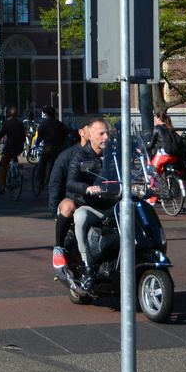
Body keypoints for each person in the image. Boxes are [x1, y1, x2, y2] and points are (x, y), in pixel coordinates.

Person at [46, 116, 116, 285]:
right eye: (101, 134)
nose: (106, 137)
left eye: (107, 133)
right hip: (82, 201)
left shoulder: (113, 155)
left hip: (110, 202)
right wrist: (87, 189)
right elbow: (62, 182)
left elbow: (126, 173)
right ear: (87, 134)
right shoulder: (75, 156)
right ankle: (76, 258)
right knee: (74, 213)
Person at [0, 106, 26, 193]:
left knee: (4, 166)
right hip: (18, 147)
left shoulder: (7, 123)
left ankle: (2, 185)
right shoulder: (20, 124)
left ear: (9, 114)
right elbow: (23, 137)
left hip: (9, 147)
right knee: (15, 160)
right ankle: (17, 175)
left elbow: (1, 133)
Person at [38, 107, 69, 180]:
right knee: (53, 162)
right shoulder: (59, 124)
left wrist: (37, 144)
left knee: (43, 162)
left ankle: (40, 182)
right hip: (58, 146)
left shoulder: (44, 123)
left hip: (48, 146)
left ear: (47, 114)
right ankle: (51, 178)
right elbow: (64, 135)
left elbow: (40, 135)